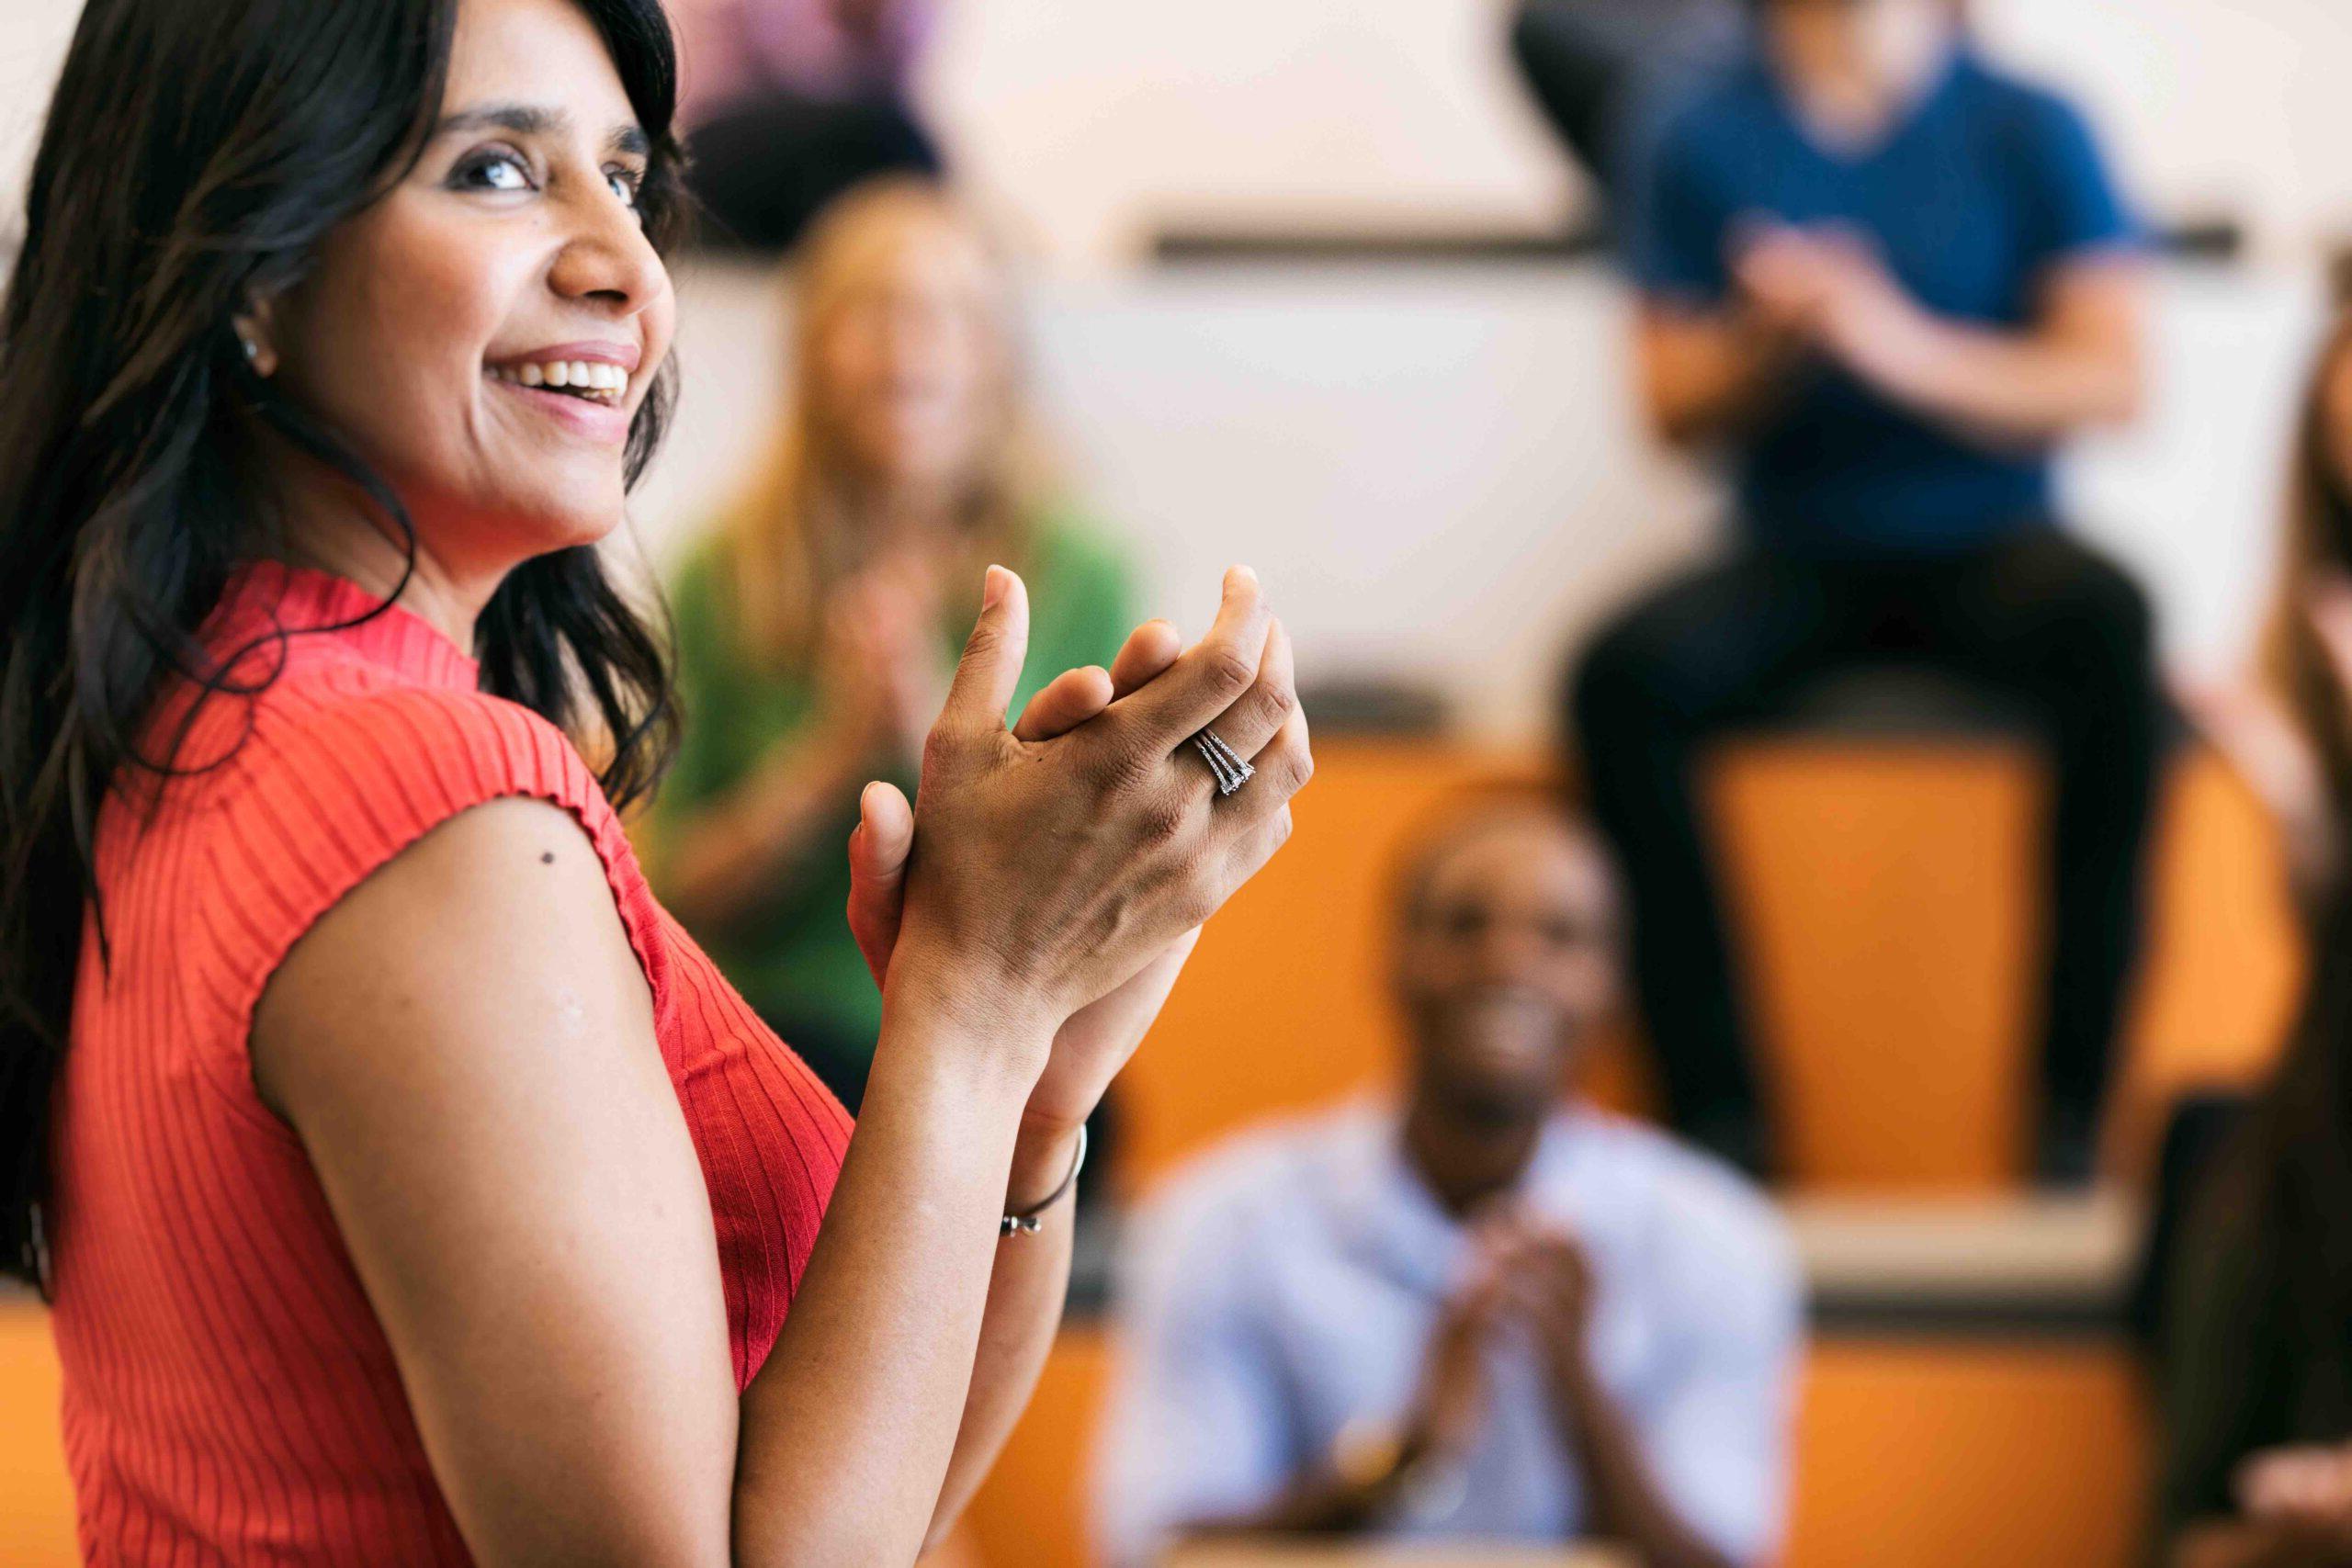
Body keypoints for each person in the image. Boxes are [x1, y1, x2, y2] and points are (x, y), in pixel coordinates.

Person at [0, 1, 1311, 1562]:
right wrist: (970, 1001)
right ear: (253, 275)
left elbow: (878, 1506)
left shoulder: (211, 717)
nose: (625, 264)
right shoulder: (419, 800)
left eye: (626, 180)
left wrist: (1030, 1087)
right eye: (495, 170)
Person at [1568, 0, 2155, 1180]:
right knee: (1618, 680)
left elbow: (2110, 378)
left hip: (1995, 542)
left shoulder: (2030, 123)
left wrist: (1894, 343)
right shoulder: (1694, 127)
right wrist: (1774, 338)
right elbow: (1670, 407)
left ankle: (2067, 1121)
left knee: (2112, 626)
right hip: (1797, 550)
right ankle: (1719, 1125)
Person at [1094, 796, 1802, 1568]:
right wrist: (1404, 1456)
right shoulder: (1225, 1218)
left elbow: (1730, 1559)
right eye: (1465, 924)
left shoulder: (1716, 1237)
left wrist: (1578, 1386)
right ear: (1394, 959)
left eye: (1561, 935)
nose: (1508, 962)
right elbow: (1157, 1554)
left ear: (1613, 986)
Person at [646, 178, 1136, 1113]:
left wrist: (933, 740)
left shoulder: (1077, 568)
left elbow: (1088, 884)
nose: (909, 351)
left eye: (949, 317)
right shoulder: (724, 568)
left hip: (1001, 1025)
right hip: (779, 1031)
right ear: (812, 350)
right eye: (874, 315)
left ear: (999, 355)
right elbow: (679, 893)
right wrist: (829, 756)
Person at [2153, 315, 2352, 1568]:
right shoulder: (2304, 622)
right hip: (2329, 1060)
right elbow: (2325, 935)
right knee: (2219, 1148)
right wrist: (2292, 798)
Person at [669, 0, 942, 250]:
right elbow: (805, 77)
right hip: (721, 133)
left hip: (822, 143)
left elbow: (899, 81)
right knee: (894, 137)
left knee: (897, 144)